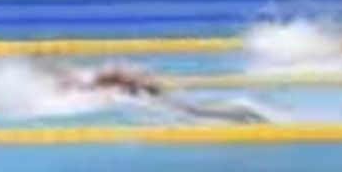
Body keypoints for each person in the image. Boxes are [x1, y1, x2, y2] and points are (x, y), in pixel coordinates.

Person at [49, 63, 270, 123]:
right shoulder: (98, 82)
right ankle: (247, 114)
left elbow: (132, 78)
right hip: (160, 99)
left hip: (163, 104)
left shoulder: (102, 84)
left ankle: (247, 114)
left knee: (202, 114)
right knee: (205, 113)